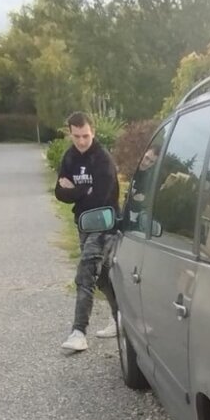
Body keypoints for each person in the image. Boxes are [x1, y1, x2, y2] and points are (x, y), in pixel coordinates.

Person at [54, 111, 122, 352]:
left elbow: (101, 198)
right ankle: (120, 318)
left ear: (92, 132)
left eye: (85, 135)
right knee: (101, 276)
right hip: (83, 225)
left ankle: (79, 332)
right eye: (76, 136)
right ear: (70, 134)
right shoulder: (70, 158)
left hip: (104, 225)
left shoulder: (103, 160)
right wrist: (84, 191)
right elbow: (59, 192)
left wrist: (75, 190)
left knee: (85, 274)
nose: (81, 141)